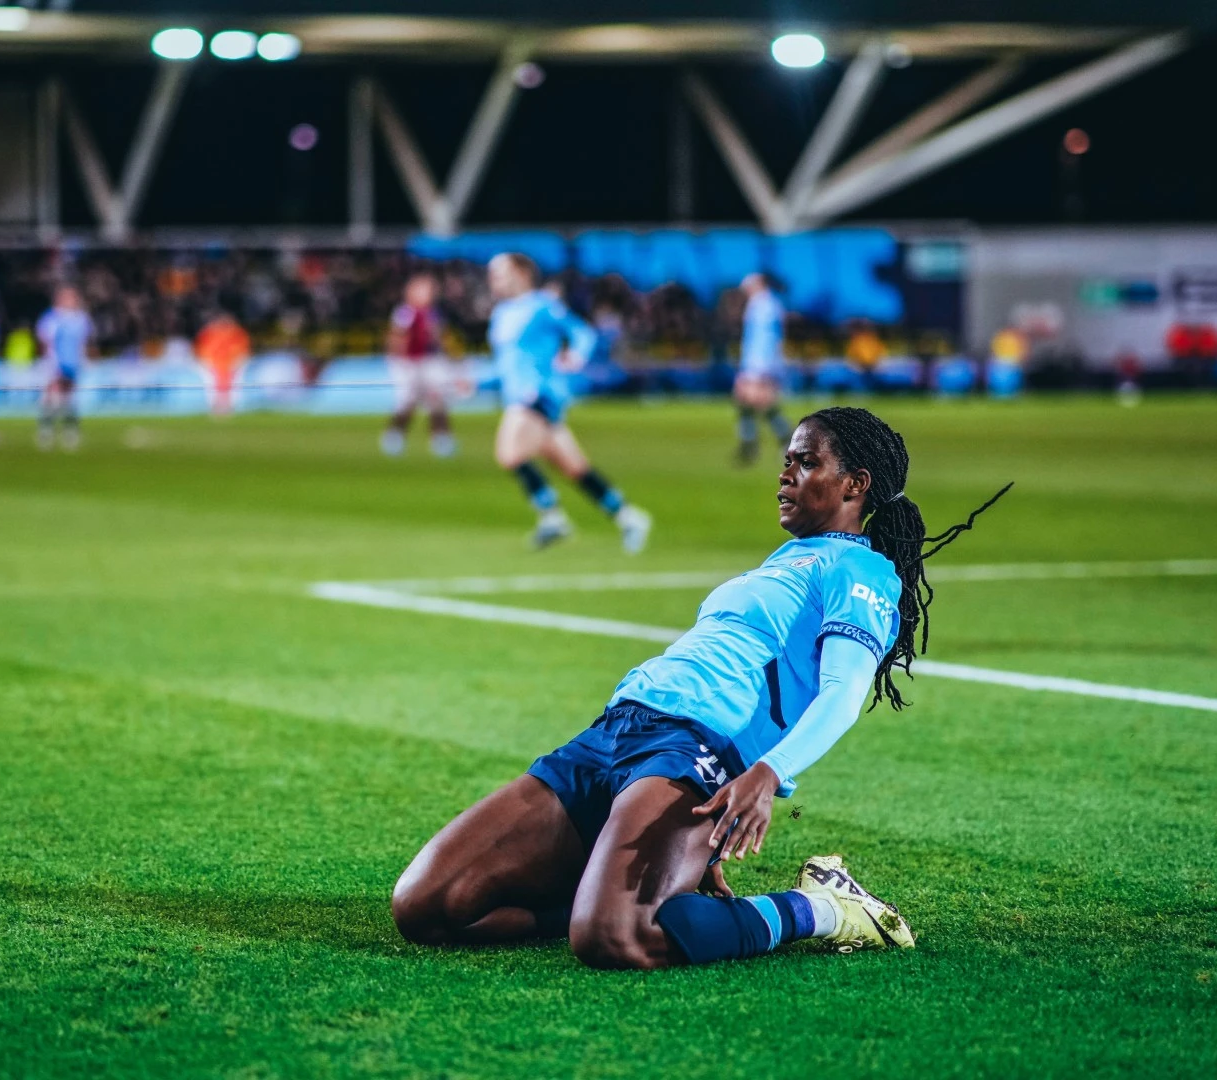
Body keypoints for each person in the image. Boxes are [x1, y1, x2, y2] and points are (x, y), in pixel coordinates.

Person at [391, 407, 1011, 969]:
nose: (786, 473)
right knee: (430, 906)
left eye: (806, 461)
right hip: (615, 732)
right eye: (786, 460)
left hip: (698, 752)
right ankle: (609, 893)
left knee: (613, 939)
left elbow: (844, 690)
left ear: (856, 484)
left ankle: (821, 908)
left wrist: (768, 774)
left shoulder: (862, 569)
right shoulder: (788, 558)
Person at [485, 253, 650, 553]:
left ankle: (552, 516)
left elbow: (582, 333)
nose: (492, 279)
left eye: (499, 272)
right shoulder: (501, 315)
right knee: (575, 469)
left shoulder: (541, 306)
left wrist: (576, 355)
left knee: (509, 454)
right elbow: (505, 368)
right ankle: (629, 517)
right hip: (520, 397)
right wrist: (475, 383)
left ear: (521, 274)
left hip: (537, 396)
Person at [380, 273, 462, 458]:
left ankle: (441, 439)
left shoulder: (433, 313)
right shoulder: (405, 312)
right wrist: (398, 361)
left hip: (430, 360)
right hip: (408, 362)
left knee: (438, 400)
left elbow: (440, 337)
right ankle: (395, 435)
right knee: (407, 401)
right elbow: (397, 337)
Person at [734, 272, 791, 466]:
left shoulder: (766, 305)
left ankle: (787, 440)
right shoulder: (758, 304)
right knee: (746, 401)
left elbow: (769, 338)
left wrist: (765, 366)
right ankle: (750, 443)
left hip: (760, 363)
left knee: (761, 403)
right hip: (753, 361)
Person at [36, 285, 93, 451]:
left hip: (73, 362)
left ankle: (70, 431)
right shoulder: (52, 318)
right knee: (52, 395)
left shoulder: (81, 318)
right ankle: (46, 430)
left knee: (70, 397)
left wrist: (84, 359)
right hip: (55, 361)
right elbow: (46, 341)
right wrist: (51, 362)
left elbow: (83, 342)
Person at [195, 311, 249, 418]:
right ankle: (215, 407)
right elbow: (203, 351)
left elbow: (242, 351)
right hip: (214, 365)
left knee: (233, 385)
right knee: (211, 385)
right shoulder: (209, 333)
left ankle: (230, 407)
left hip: (231, 365)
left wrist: (236, 364)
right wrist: (209, 364)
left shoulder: (237, 333)